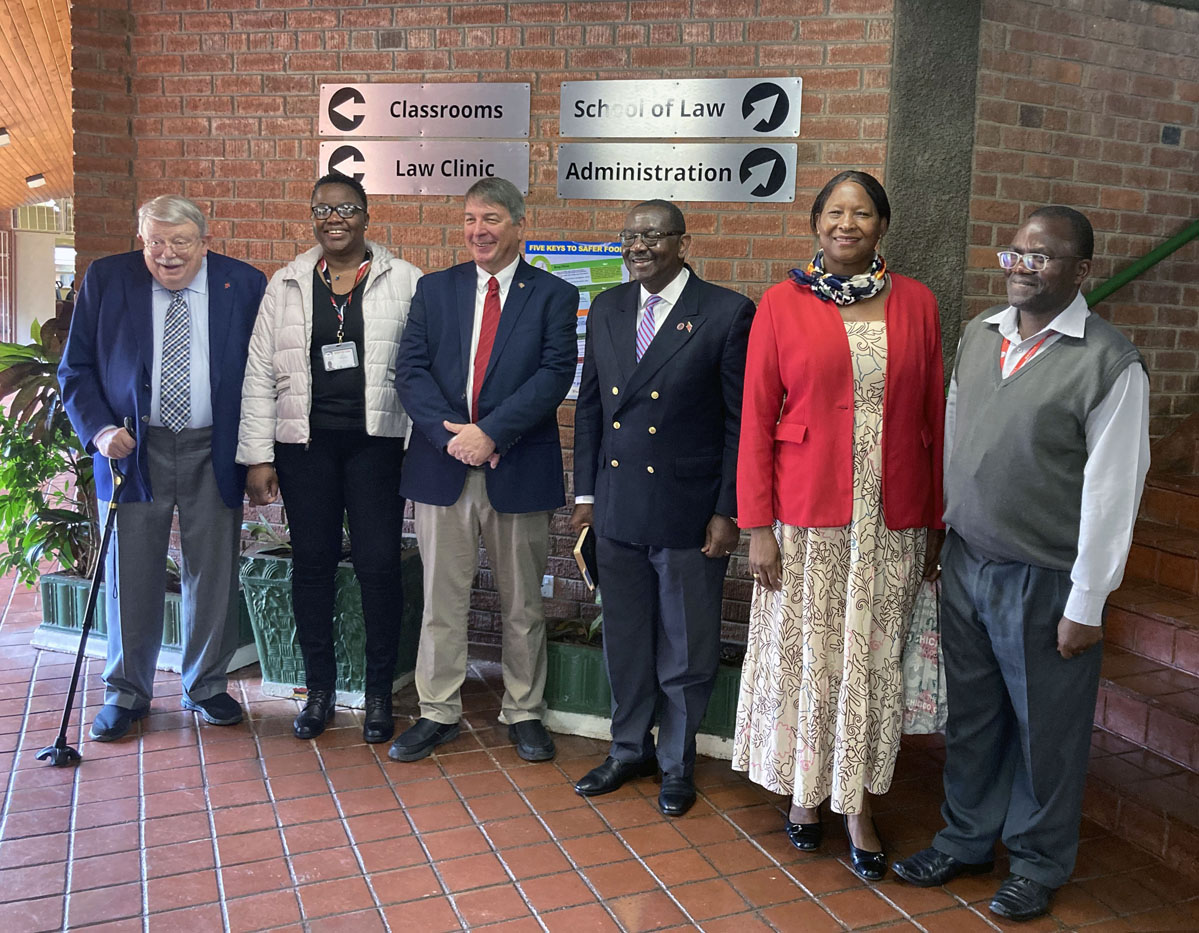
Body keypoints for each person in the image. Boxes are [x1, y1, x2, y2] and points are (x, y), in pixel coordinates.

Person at [893, 207, 1149, 921]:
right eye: (1015, 253)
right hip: (968, 561)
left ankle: (1037, 861)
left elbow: (1113, 491)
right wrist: (943, 528)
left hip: (1044, 577)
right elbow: (954, 437)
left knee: (1046, 729)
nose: (1023, 267)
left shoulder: (1109, 363)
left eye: (1042, 256)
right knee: (973, 718)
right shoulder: (980, 335)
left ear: (1081, 270)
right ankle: (966, 839)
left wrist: (1087, 601)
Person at [733, 171, 945, 880]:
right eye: (834, 211)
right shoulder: (780, 303)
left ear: (881, 225)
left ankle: (856, 805)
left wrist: (936, 520)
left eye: (861, 213)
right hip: (806, 517)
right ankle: (803, 791)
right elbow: (756, 419)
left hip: (891, 519)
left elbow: (933, 415)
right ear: (816, 223)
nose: (846, 223)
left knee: (871, 660)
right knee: (811, 656)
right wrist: (756, 525)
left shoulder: (917, 302)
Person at [58, 195, 266, 740]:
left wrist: (259, 454)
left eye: (180, 242)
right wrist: (100, 431)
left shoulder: (244, 284)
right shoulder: (108, 279)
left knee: (213, 570)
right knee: (130, 572)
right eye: (155, 242)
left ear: (205, 241)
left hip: (214, 447)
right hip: (132, 450)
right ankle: (127, 692)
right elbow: (76, 369)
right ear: (141, 240)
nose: (167, 254)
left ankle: (207, 685)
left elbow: (264, 372)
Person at [570, 200, 753, 817]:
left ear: (682, 242)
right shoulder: (608, 307)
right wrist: (587, 496)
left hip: (688, 510)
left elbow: (739, 422)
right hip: (618, 505)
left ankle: (677, 762)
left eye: (652, 235)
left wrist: (727, 510)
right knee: (625, 640)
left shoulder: (725, 311)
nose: (639, 245)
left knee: (686, 645)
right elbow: (591, 407)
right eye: (630, 235)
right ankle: (629, 750)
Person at [391, 177, 578, 763]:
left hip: (517, 466)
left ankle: (524, 710)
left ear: (520, 225)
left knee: (522, 604)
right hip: (443, 466)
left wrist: (492, 433)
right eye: (471, 219)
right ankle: (437, 710)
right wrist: (455, 438)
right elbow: (410, 371)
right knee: (440, 601)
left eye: (491, 219)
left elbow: (554, 375)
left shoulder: (553, 294)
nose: (479, 230)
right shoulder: (434, 289)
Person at [237, 172, 422, 745]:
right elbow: (260, 372)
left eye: (345, 208)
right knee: (312, 565)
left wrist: (421, 448)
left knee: (378, 566)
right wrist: (258, 456)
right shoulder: (287, 282)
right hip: (305, 447)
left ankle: (377, 694)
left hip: (376, 446)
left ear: (367, 216)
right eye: (322, 209)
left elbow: (421, 367)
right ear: (312, 217)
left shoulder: (405, 279)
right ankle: (318, 691)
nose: (333, 219)